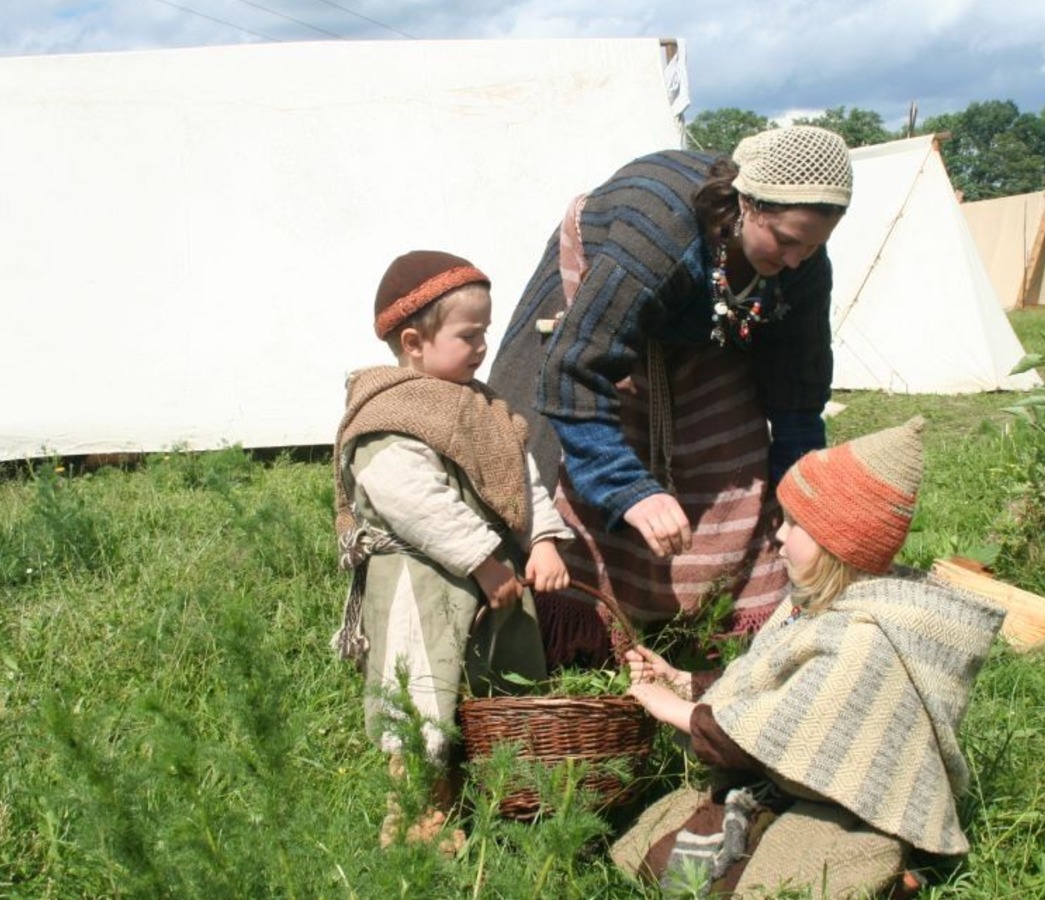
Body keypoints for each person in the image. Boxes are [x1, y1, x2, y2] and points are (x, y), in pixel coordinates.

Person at [488, 126, 854, 664]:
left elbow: (797, 396)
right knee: (580, 470)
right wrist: (629, 488)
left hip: (713, 312)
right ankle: (591, 636)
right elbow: (574, 371)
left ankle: (719, 623)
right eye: (786, 240)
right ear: (746, 205)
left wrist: (803, 502)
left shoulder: (802, 269)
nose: (798, 260)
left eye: (814, 246)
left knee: (732, 453)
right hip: (604, 301)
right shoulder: (659, 232)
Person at [611, 417, 1006, 897]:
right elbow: (771, 690)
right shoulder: (817, 608)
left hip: (858, 806)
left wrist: (671, 708)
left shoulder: (866, 639)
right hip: (798, 783)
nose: (777, 535)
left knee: (784, 880)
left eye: (794, 524)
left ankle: (893, 878)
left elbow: (776, 736)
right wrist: (684, 682)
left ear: (836, 544)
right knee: (665, 855)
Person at [330, 250, 574, 847]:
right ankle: (418, 815)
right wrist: (485, 562)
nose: (484, 346)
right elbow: (414, 500)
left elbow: (521, 478)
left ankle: (493, 795)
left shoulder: (481, 408)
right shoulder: (390, 411)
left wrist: (541, 539)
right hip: (423, 580)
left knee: (491, 684)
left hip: (486, 580)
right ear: (414, 341)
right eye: (470, 335)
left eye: (486, 332)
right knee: (422, 695)